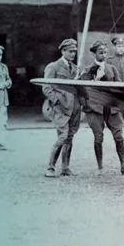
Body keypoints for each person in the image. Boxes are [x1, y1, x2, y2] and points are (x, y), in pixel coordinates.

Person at [82, 40, 124, 176]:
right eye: (100, 53)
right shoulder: (87, 70)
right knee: (98, 137)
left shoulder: (112, 68)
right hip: (95, 108)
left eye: (105, 52)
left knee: (119, 136)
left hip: (111, 108)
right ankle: (100, 168)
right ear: (94, 54)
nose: (103, 55)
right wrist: (97, 80)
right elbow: (84, 89)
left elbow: (120, 87)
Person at [42, 39, 83, 176]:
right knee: (62, 136)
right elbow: (46, 87)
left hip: (75, 107)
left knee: (70, 137)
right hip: (61, 108)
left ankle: (65, 168)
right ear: (63, 51)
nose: (73, 54)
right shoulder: (53, 67)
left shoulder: (76, 69)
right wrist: (57, 101)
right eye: (70, 51)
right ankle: (50, 168)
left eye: (74, 52)